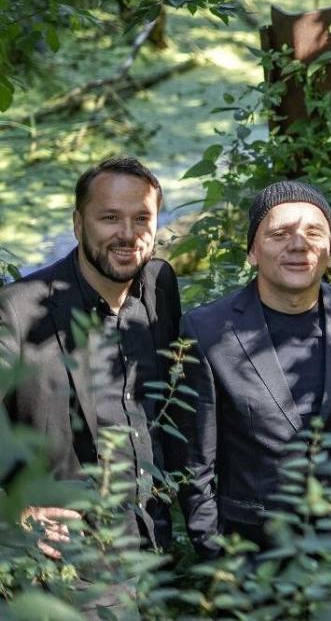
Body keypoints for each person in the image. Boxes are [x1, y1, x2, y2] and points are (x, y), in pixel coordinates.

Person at [172, 181, 331, 558]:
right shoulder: (207, 331)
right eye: (279, 234)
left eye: (314, 232)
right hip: (254, 549)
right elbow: (196, 465)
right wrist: (217, 557)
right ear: (252, 251)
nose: (298, 244)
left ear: (330, 250)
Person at [0, 157, 180, 612]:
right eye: (110, 217)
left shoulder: (160, 286)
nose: (128, 234)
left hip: (157, 549)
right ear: (78, 223)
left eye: (142, 218)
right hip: (70, 566)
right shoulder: (18, 310)